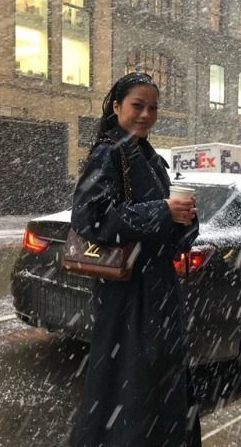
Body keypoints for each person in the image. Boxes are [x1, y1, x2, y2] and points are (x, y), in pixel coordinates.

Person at [68, 72, 201, 447]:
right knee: (130, 384)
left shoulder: (151, 157)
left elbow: (167, 229)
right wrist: (161, 211)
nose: (146, 114)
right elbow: (90, 218)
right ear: (116, 106)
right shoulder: (108, 153)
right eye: (137, 106)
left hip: (158, 289)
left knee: (157, 379)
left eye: (153, 107)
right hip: (127, 293)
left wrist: (186, 220)